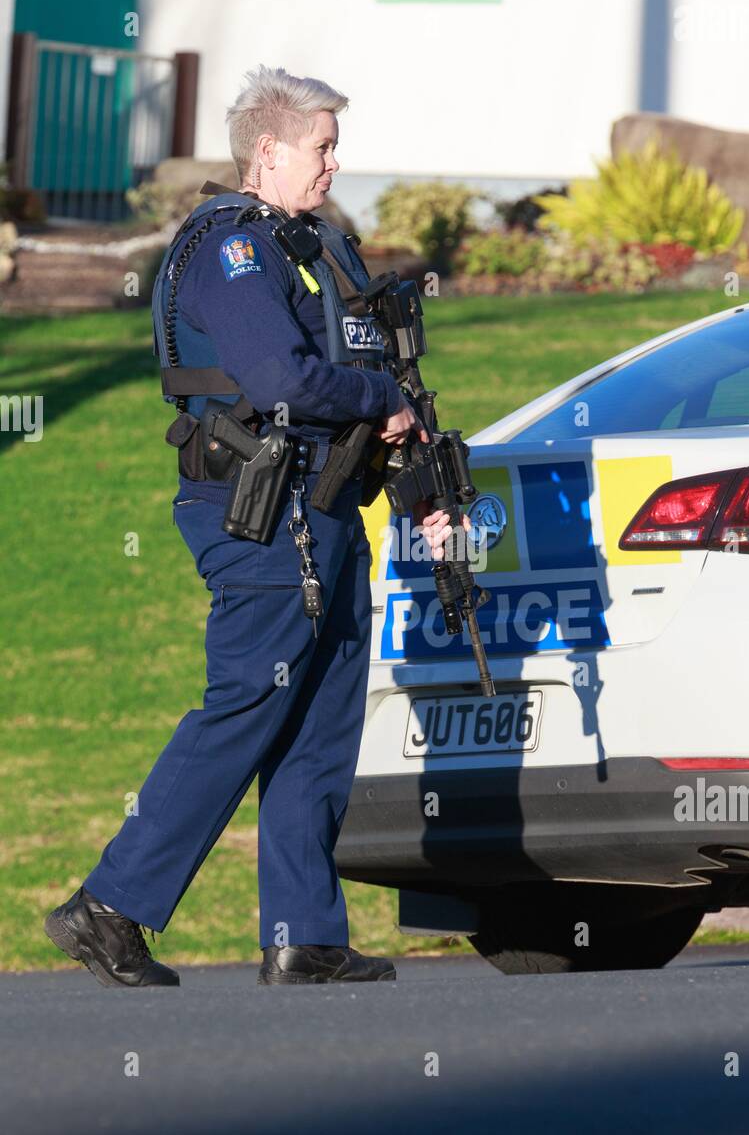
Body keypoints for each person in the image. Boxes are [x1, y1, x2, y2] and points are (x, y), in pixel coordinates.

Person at [44, 66, 456, 988]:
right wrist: (377, 398)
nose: (335, 164)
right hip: (258, 514)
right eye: (321, 147)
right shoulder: (230, 251)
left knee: (320, 716)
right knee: (247, 705)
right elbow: (282, 380)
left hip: (330, 510)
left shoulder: (320, 248)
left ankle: (302, 933)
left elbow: (376, 372)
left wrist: (420, 485)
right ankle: (108, 907)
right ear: (266, 153)